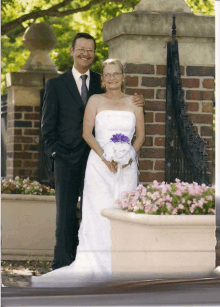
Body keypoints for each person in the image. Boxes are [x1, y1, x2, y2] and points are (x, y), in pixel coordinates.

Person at [32, 58, 145, 287]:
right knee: (98, 214)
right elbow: (87, 133)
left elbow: (140, 136)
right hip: (99, 166)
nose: (112, 78)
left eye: (116, 73)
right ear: (102, 79)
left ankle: (122, 266)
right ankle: (96, 264)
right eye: (107, 74)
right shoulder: (94, 100)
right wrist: (105, 157)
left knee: (124, 213)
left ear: (123, 77)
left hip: (126, 168)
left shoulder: (135, 102)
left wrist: (128, 156)